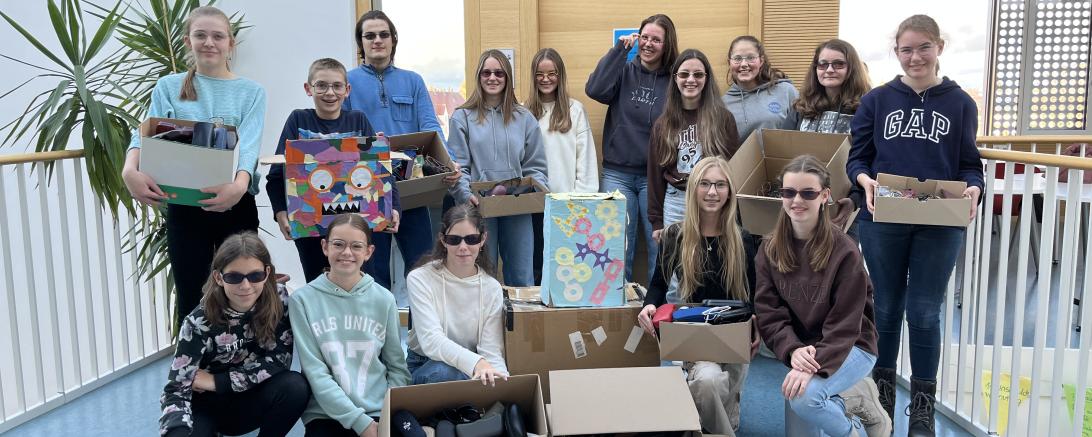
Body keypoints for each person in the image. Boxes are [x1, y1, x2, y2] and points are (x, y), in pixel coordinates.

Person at [847, 14, 984, 436]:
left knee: (924, 313)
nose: (915, 56)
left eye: (923, 47)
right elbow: (858, 158)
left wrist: (975, 189)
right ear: (896, 53)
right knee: (885, 309)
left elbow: (969, 165)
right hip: (884, 217)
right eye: (906, 49)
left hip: (939, 223)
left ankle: (922, 410)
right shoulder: (876, 100)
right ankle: (883, 401)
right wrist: (864, 180)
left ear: (939, 47)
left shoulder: (960, 103)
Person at [121, 5, 266, 329]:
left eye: (218, 36)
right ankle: (193, 374)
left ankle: (243, 373)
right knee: (191, 296)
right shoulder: (168, 87)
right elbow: (145, 132)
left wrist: (239, 187)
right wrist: (129, 170)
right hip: (184, 206)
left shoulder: (251, 92)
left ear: (231, 43)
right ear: (188, 41)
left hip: (236, 204)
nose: (209, 42)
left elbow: (250, 145)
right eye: (201, 35)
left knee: (244, 290)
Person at [753, 155, 891, 437]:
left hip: (852, 345)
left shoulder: (845, 251)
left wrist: (814, 366)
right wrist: (792, 349)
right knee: (801, 410)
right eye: (789, 192)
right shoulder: (769, 249)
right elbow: (769, 313)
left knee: (804, 398)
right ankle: (852, 394)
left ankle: (852, 429)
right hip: (803, 350)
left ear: (825, 196)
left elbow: (845, 325)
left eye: (808, 193)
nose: (797, 201)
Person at [635, 156, 758, 436]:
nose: (712, 192)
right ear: (693, 189)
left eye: (719, 185)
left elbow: (755, 293)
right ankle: (715, 421)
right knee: (708, 381)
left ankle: (700, 415)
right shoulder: (676, 236)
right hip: (695, 334)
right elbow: (658, 283)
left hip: (735, 337)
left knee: (712, 392)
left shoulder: (743, 239)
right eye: (704, 184)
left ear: (729, 191)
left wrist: (757, 322)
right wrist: (649, 305)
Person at [159, 232, 309, 437]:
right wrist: (177, 431)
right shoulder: (197, 323)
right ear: (219, 277)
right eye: (234, 277)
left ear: (266, 273)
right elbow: (177, 389)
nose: (245, 286)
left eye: (255, 275)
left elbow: (279, 360)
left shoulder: (279, 298)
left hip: (250, 399)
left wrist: (215, 381)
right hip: (206, 408)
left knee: (296, 386)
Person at [266, 57, 401, 282]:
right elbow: (276, 176)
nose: (330, 92)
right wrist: (281, 213)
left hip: (357, 230)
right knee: (318, 286)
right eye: (321, 85)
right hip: (312, 233)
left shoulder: (358, 120)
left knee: (363, 286)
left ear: (347, 90)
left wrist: (394, 208)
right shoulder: (298, 120)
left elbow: (381, 170)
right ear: (308, 89)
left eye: (337, 86)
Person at [345, 10, 444, 296]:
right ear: (360, 43)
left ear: (393, 40)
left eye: (383, 34)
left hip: (411, 187)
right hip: (367, 190)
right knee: (372, 273)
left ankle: (420, 336)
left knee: (423, 268)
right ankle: (377, 337)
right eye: (370, 35)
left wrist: (448, 165)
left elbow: (430, 127)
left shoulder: (413, 81)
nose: (377, 40)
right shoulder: (348, 82)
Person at [289, 214, 411, 437]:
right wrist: (359, 422)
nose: (347, 252)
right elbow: (315, 372)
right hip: (327, 413)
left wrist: (386, 414)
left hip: (379, 409)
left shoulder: (384, 299)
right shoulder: (302, 300)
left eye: (356, 246)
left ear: (369, 252)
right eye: (338, 244)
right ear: (325, 247)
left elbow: (397, 367)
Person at [586, 14, 679, 284]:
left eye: (656, 39)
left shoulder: (674, 79)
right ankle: (619, 312)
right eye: (645, 37)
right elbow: (595, 89)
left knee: (658, 248)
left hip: (656, 177)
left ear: (667, 43)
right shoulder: (624, 70)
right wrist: (619, 51)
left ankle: (653, 311)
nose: (649, 44)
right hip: (617, 174)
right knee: (616, 249)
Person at [447, 49, 547, 287]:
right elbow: (458, 165)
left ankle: (520, 324)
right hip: (478, 208)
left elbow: (536, 166)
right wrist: (465, 195)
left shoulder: (525, 118)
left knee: (522, 277)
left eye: (499, 73)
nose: (492, 78)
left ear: (508, 77)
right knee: (481, 277)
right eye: (486, 72)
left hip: (517, 208)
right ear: (479, 77)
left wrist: (534, 193)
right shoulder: (462, 117)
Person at [405, 204, 508, 385]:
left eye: (471, 239)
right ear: (443, 240)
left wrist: (501, 381)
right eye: (454, 239)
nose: (463, 247)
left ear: (483, 239)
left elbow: (491, 350)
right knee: (442, 374)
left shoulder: (492, 288)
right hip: (427, 364)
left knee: (497, 384)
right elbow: (431, 341)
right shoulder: (419, 278)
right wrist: (477, 364)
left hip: (473, 364)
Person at [784, 38, 872, 240]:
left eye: (838, 64)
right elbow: (783, 153)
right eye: (822, 64)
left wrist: (855, 200)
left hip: (844, 205)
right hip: (801, 201)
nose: (829, 69)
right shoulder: (800, 108)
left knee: (840, 267)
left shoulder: (866, 109)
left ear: (852, 68)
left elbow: (870, 159)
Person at [648, 48, 740, 240]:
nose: (691, 80)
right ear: (675, 78)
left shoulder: (723, 119)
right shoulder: (663, 124)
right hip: (677, 201)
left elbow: (734, 169)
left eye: (698, 74)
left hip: (713, 198)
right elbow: (655, 175)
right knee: (675, 265)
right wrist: (656, 221)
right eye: (684, 74)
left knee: (712, 261)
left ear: (706, 79)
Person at [526, 47, 598, 284]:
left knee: (568, 268)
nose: (545, 79)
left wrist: (581, 199)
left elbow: (584, 157)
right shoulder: (525, 112)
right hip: (534, 204)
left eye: (552, 73)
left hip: (568, 205)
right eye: (539, 74)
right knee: (538, 265)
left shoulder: (574, 110)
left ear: (561, 75)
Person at [721, 35, 797, 143]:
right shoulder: (723, 104)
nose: (744, 64)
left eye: (750, 58)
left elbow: (802, 131)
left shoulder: (786, 91)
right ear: (729, 63)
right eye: (737, 59)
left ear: (761, 61)